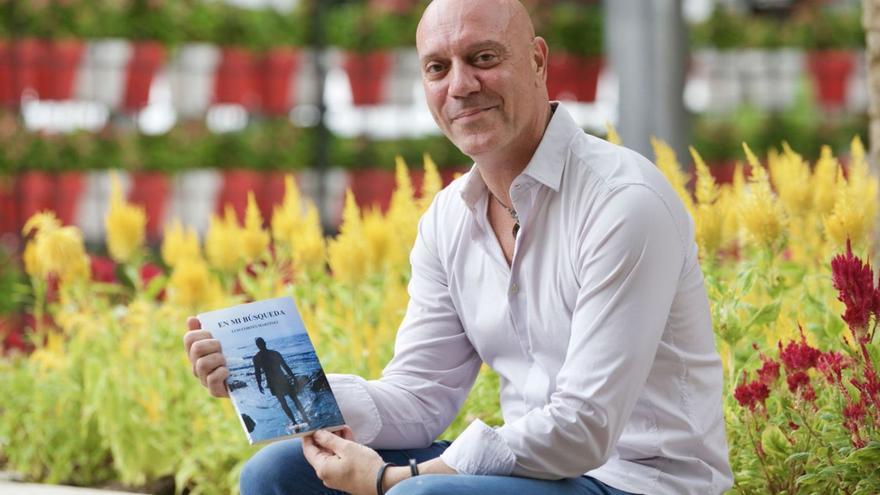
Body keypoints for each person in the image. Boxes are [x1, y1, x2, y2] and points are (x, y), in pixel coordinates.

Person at [184, 0, 734, 493]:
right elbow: (421, 398)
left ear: (539, 62)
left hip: (638, 480)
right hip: (535, 474)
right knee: (275, 474)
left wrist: (394, 479)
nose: (461, 86)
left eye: (484, 57)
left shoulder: (622, 202)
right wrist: (299, 393)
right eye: (437, 68)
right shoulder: (449, 219)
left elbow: (583, 430)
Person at [252, 337, 310, 426]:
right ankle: (297, 420)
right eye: (259, 344)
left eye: (261, 343)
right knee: (289, 400)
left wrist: (294, 378)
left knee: (290, 400)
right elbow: (258, 372)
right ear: (259, 345)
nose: (261, 345)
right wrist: (259, 384)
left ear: (264, 343)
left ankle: (299, 419)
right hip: (277, 382)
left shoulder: (265, 356)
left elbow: (285, 366)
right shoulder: (269, 355)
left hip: (280, 381)